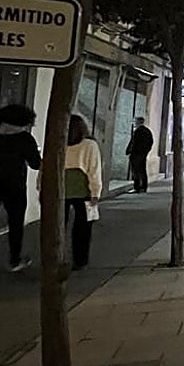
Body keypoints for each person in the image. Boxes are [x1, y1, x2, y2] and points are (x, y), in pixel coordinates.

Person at [0, 104, 41, 272]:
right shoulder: (24, 139)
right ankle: (14, 260)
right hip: (14, 185)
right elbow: (36, 164)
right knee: (15, 222)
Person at [65, 114, 102, 271]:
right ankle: (80, 260)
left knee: (59, 225)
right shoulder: (89, 145)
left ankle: (56, 257)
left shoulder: (56, 140)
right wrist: (96, 191)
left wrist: (41, 187)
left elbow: (46, 164)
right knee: (83, 227)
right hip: (83, 188)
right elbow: (94, 170)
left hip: (61, 187)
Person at [126, 117, 154, 193]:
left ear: (138, 122)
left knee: (136, 171)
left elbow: (133, 143)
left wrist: (130, 151)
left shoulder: (138, 131)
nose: (134, 123)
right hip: (142, 154)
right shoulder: (147, 131)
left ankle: (137, 187)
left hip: (136, 154)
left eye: (135, 122)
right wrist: (145, 152)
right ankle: (144, 187)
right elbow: (150, 142)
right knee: (142, 170)